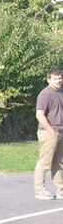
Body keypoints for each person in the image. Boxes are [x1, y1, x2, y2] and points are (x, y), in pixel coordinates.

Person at [34, 68, 63, 200]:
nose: (59, 80)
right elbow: (39, 115)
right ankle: (40, 191)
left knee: (57, 163)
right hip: (48, 132)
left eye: (60, 78)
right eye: (55, 78)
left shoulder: (61, 92)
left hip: (60, 132)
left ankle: (60, 190)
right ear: (48, 80)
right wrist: (51, 131)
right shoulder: (45, 94)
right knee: (44, 162)